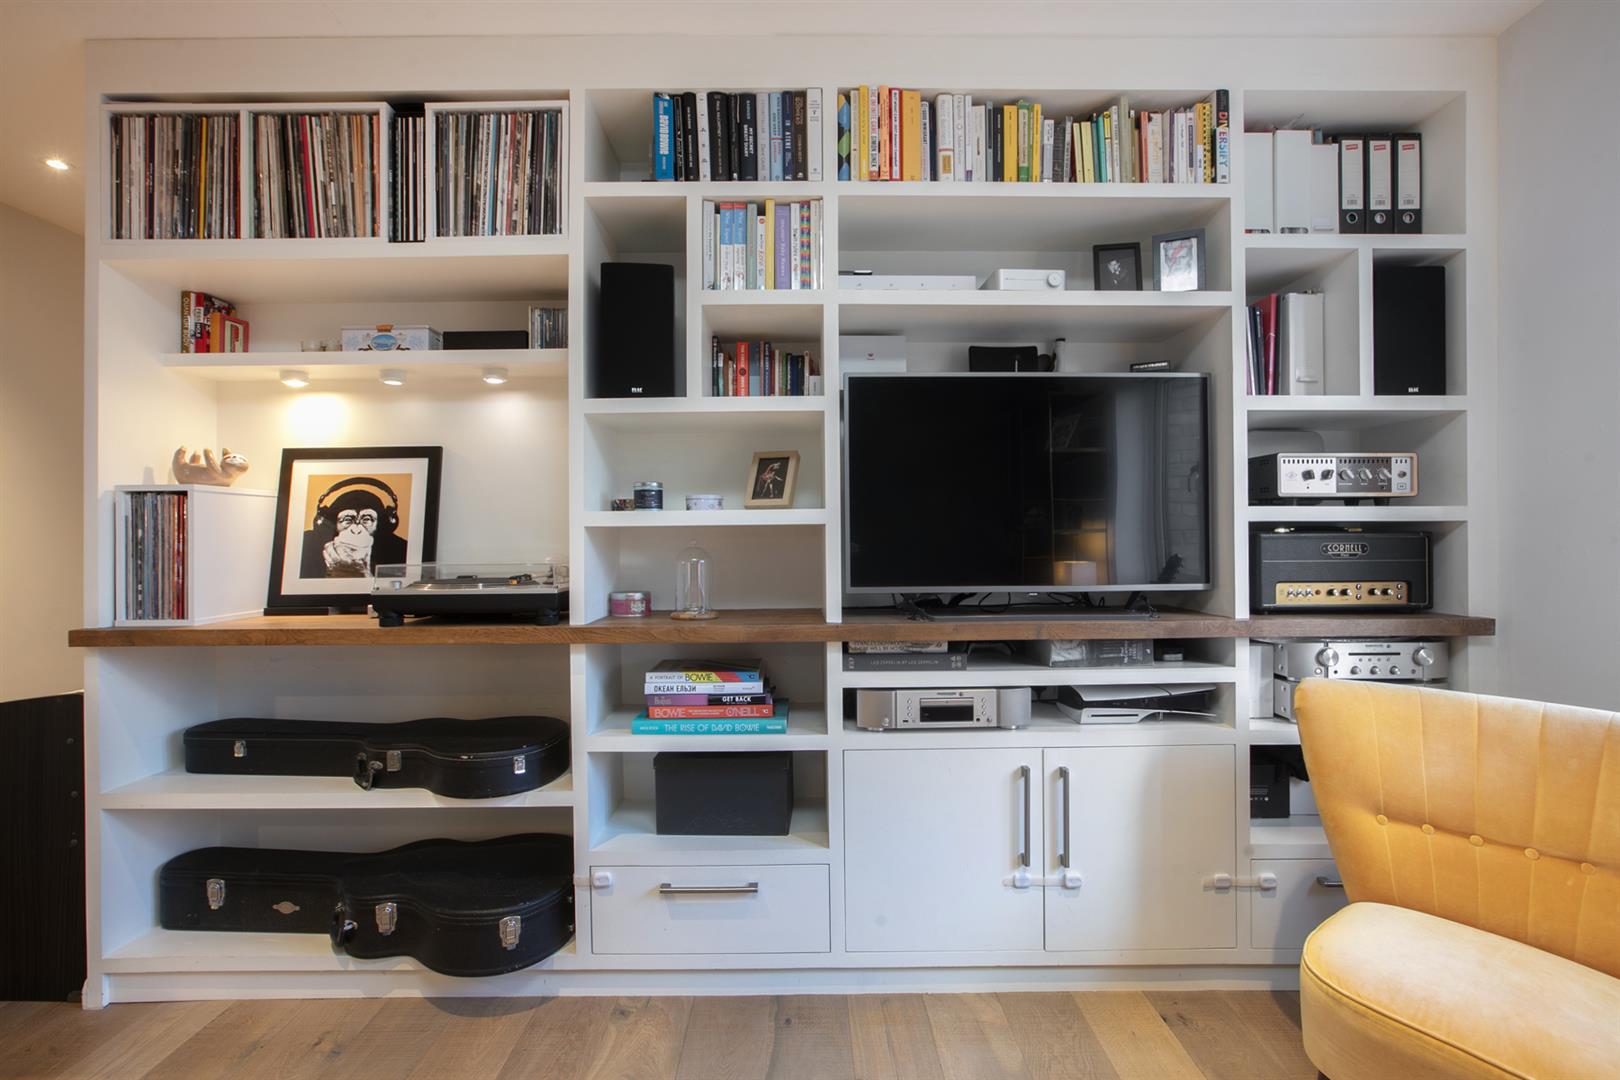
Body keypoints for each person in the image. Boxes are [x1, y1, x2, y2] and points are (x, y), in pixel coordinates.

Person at [299, 485, 407, 578]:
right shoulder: (306, 544)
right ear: (333, 525)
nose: (356, 529)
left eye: (366, 519)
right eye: (347, 520)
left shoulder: (400, 549)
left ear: (380, 525)